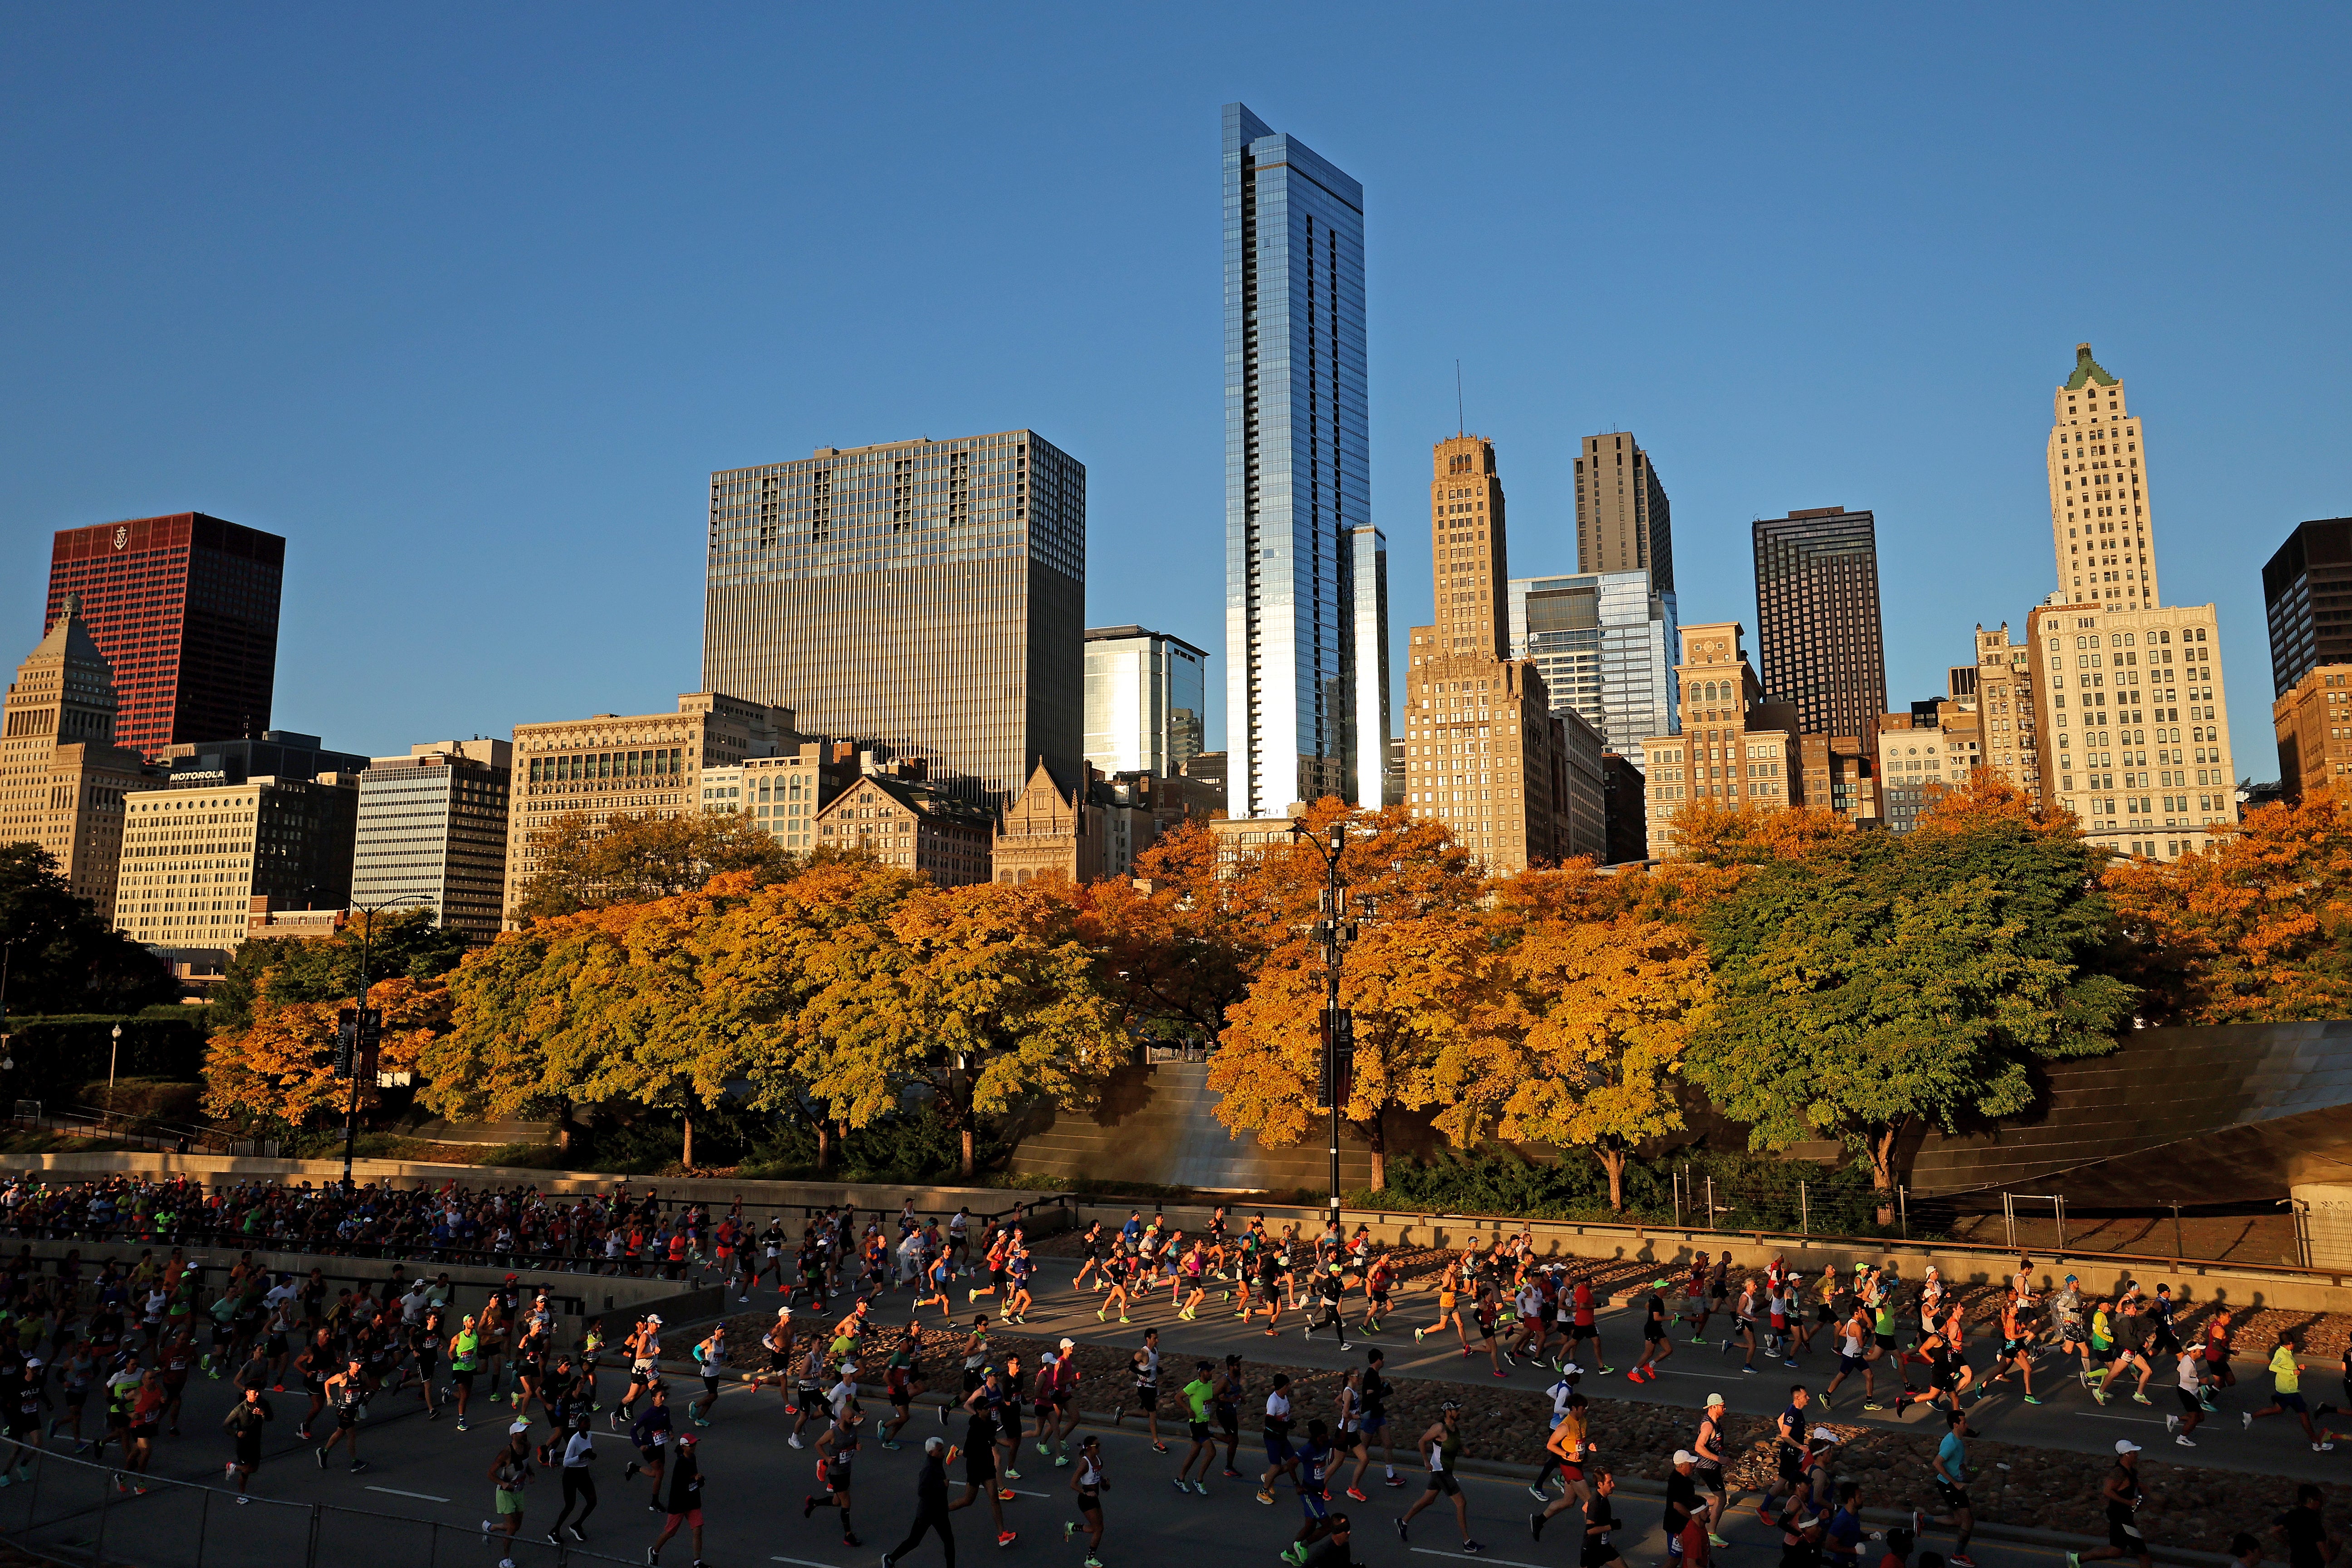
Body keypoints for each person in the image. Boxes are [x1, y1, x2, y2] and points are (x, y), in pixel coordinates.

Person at [1395, 1399, 1482, 1554]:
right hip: (1440, 1471)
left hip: (1444, 1472)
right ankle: (1467, 1542)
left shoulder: (1454, 1428)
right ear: (1449, 1412)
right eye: (1457, 1410)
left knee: (1428, 1500)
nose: (1460, 1413)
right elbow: (1422, 1441)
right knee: (1461, 1503)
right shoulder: (1439, 1428)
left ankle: (1403, 1521)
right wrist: (1426, 1461)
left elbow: (1454, 1442)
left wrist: (1464, 1449)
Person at [947, 1371, 1015, 1548]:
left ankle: (1002, 1534)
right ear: (979, 1411)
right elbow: (969, 1451)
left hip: (987, 1465)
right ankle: (939, 1512)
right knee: (968, 1500)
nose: (989, 1410)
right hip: (975, 1467)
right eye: (986, 1408)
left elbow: (992, 1439)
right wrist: (999, 1442)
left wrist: (1000, 1442)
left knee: (994, 1498)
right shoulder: (976, 1427)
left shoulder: (989, 1424)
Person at [2066, 1440, 2151, 1568]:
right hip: (2121, 1517)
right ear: (2127, 1454)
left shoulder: (2130, 1471)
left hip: (2123, 1516)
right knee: (2143, 1553)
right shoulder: (2119, 1472)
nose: (2137, 1455)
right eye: (2134, 1453)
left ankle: (2076, 1559)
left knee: (2115, 1551)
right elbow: (2107, 1491)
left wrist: (2142, 1491)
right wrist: (2129, 1502)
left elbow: (2132, 1486)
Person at [2247, 1334, 2335, 1451]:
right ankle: (2316, 1443)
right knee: (2304, 1415)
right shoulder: (2281, 1353)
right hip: (2288, 1391)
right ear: (2290, 1343)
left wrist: (2298, 1368)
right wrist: (2292, 1372)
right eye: (2293, 1343)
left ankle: (2250, 1417)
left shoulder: (2287, 1353)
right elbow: (2272, 1367)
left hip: (2287, 1389)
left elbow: (2288, 1367)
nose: (2294, 1345)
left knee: (2278, 1410)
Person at [1916, 1408, 1978, 1568]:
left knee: (1959, 1520)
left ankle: (1922, 1519)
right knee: (1968, 1520)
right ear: (1956, 1425)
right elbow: (1937, 1463)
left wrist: (1964, 1470)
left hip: (1949, 1485)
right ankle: (1958, 1555)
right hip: (1949, 1486)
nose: (1967, 1425)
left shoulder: (1957, 1439)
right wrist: (1956, 1483)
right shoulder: (1951, 1443)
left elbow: (1956, 1461)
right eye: (1964, 1422)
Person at [885, 1435, 958, 1568]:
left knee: (949, 1542)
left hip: (939, 1512)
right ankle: (890, 1560)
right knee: (914, 1541)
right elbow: (922, 1491)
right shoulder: (928, 1468)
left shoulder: (936, 1463)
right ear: (932, 1453)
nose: (943, 1453)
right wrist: (942, 1485)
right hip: (927, 1513)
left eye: (943, 1450)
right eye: (940, 1451)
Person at [649, 1430, 706, 1566]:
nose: (694, 1447)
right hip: (679, 1502)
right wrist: (695, 1479)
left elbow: (693, 1476)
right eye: (691, 1445)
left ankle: (697, 1562)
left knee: (698, 1529)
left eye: (694, 1445)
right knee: (670, 1532)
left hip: (692, 1501)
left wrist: (698, 1479)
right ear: (684, 1447)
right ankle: (654, 1551)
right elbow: (683, 1482)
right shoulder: (681, 1463)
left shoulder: (692, 1457)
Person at [483, 1421, 535, 1568]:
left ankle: (491, 1528)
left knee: (516, 1526)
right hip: (505, 1494)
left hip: (519, 1491)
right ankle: (505, 1559)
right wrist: (504, 1483)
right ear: (514, 1435)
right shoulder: (506, 1453)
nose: (525, 1434)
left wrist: (531, 1474)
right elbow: (490, 1474)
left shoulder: (527, 1446)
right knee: (512, 1528)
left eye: (525, 1431)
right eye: (522, 1432)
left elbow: (525, 1463)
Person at [546, 1409, 598, 1545]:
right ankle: (554, 1531)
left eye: (589, 1422)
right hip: (571, 1475)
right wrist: (581, 1457)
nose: (589, 1425)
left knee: (592, 1501)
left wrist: (591, 1455)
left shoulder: (590, 1435)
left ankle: (577, 1525)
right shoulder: (574, 1440)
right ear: (579, 1425)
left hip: (584, 1473)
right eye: (586, 1423)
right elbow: (566, 1462)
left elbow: (588, 1451)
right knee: (570, 1505)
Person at [315, 1356, 368, 1474]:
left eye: (361, 1364)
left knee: (340, 1433)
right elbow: (327, 1383)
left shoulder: (363, 1375)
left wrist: (363, 1396)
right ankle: (355, 1462)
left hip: (353, 1409)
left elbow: (366, 1386)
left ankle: (324, 1452)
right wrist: (329, 1398)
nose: (359, 1367)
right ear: (351, 1364)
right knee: (352, 1435)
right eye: (357, 1364)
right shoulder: (342, 1377)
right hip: (343, 1410)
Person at [1114, 1328, 1164, 1453]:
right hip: (1144, 1387)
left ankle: (1123, 1413)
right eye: (1155, 1338)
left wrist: (1158, 1369)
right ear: (1148, 1339)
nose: (1157, 1340)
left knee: (1146, 1413)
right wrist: (1143, 1372)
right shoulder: (1142, 1354)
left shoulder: (1155, 1351)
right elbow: (1131, 1367)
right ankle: (1156, 1442)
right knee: (1153, 1414)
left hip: (1153, 1387)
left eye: (1157, 1338)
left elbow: (1152, 1364)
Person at [1063, 1432, 1108, 1567]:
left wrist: (1105, 1483)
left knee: (1099, 1528)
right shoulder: (1084, 1463)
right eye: (1097, 1446)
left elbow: (1099, 1479)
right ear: (1089, 1448)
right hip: (1086, 1500)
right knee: (1098, 1529)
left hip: (1094, 1498)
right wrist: (1085, 1492)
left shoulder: (1099, 1460)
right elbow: (1073, 1484)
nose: (1099, 1448)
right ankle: (1090, 1560)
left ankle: (1072, 1527)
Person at [220, 1383, 272, 1501]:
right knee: (246, 1469)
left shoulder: (263, 1404)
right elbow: (226, 1426)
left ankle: (233, 1467)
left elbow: (271, 1417)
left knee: (253, 1469)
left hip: (256, 1442)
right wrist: (237, 1432)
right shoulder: (239, 1410)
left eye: (258, 1392)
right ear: (248, 1393)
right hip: (244, 1444)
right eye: (255, 1392)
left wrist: (263, 1413)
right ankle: (241, 1496)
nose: (258, 1394)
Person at [2271, 1482, 2339, 1568]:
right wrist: (2337, 1544)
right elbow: (2327, 1558)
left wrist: (2288, 1543)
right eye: (2320, 1500)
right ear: (2311, 1500)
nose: (2321, 1504)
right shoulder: (2314, 1521)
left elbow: (2274, 1531)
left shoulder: (2293, 1514)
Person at [1630, 1280, 1674, 1383]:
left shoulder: (1654, 1298)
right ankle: (1634, 1372)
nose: (1666, 1289)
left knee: (1668, 1350)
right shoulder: (1656, 1301)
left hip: (1657, 1329)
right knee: (1648, 1353)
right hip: (1652, 1329)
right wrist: (1671, 1317)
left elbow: (1647, 1305)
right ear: (1659, 1289)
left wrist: (1651, 1312)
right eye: (1664, 1287)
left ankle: (1650, 1366)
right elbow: (1657, 1318)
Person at [2167, 1345, 2208, 1447]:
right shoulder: (2188, 1363)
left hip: (2191, 1391)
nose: (2202, 1353)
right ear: (2193, 1351)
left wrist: (2193, 1377)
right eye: (2200, 1351)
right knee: (2194, 1418)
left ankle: (2175, 1419)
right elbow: (2185, 1379)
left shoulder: (2187, 1359)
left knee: (2201, 1417)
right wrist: (2199, 1381)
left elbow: (2179, 1369)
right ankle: (2182, 1438)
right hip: (2186, 1392)